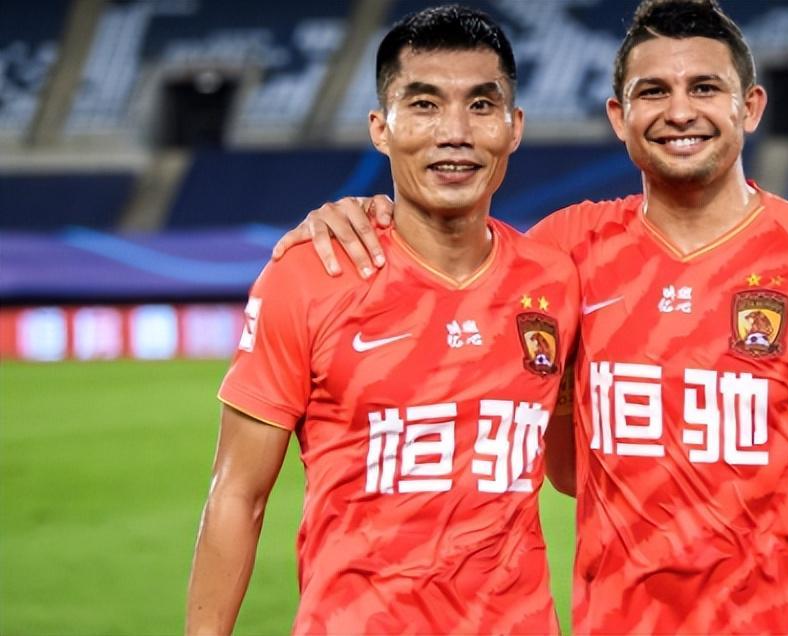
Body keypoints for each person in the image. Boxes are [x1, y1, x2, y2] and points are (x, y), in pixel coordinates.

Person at [277, 1, 788, 634]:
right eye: (653, 91)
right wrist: (356, 214)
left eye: (704, 87)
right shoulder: (565, 255)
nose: (679, 111)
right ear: (619, 115)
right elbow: (566, 470)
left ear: (750, 107)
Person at [184, 6, 580, 634]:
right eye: (424, 105)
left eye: (482, 105)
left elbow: (572, 471)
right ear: (381, 128)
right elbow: (237, 493)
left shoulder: (555, 282)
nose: (455, 132)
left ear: (514, 127)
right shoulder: (311, 275)